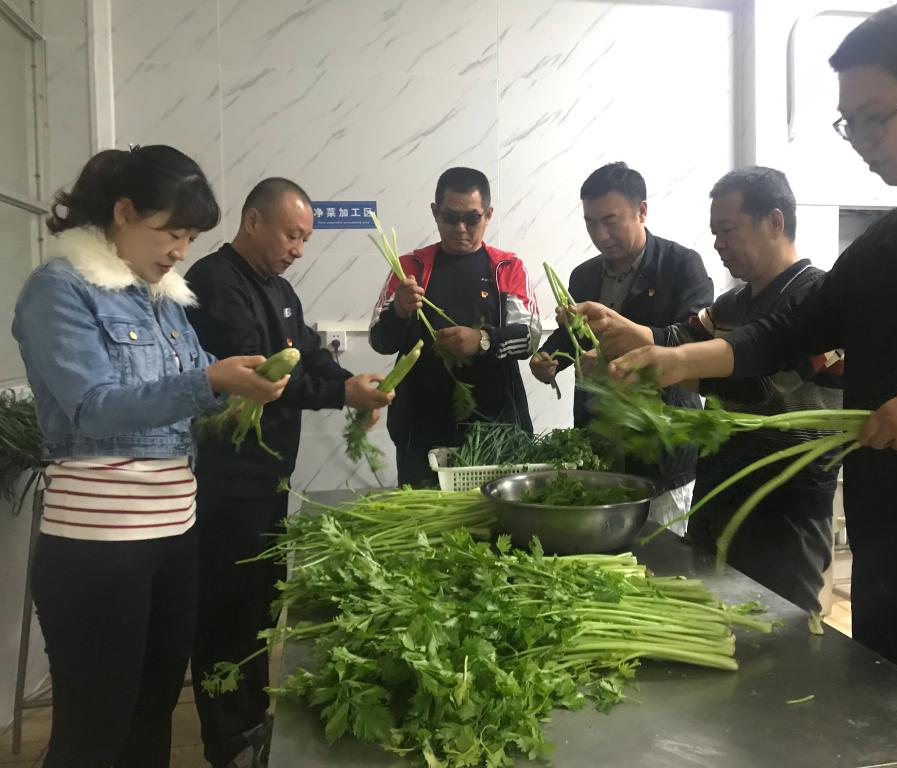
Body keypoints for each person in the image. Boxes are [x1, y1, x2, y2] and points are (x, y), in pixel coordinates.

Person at [610, 1, 897, 735]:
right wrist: (674, 359)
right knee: (889, 722)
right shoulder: (886, 245)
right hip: (888, 548)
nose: (860, 141)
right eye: (847, 123)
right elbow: (785, 332)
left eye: (875, 118)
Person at [11, 145, 286, 768]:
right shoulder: (59, 289)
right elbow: (93, 408)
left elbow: (190, 401)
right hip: (99, 546)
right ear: (124, 212)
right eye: (171, 232)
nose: (180, 251)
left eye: (190, 238)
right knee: (94, 731)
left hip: (174, 534)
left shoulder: (164, 300)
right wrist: (208, 382)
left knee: (151, 717)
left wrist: (244, 392)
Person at [185, 178, 393, 768]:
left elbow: (309, 353)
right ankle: (226, 740)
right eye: (291, 235)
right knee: (227, 610)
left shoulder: (279, 289)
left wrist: (353, 382)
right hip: (227, 479)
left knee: (260, 603)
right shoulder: (215, 283)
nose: (298, 249)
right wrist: (341, 395)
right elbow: (267, 376)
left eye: (305, 238)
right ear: (253, 221)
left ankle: (253, 721)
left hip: (269, 478)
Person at [582, 167, 844, 612]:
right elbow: (681, 337)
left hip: (784, 503)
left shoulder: (817, 300)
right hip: (718, 489)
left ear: (775, 222)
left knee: (780, 625)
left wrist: (656, 370)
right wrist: (621, 333)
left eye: (727, 230)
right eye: (714, 232)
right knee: (711, 612)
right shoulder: (735, 303)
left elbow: (763, 386)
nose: (718, 244)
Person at [531, 162, 712, 528]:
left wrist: (617, 356)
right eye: (590, 223)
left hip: (661, 442)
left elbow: (694, 340)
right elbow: (571, 333)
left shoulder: (681, 266)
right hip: (599, 439)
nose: (601, 234)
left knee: (661, 544)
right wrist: (549, 359)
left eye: (610, 221)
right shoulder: (585, 275)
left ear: (641, 211)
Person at [370, 167, 539, 486]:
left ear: (488, 215)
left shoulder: (507, 267)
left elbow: (529, 339)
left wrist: (484, 340)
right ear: (436, 213)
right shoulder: (409, 268)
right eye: (450, 218)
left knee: (496, 512)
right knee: (423, 510)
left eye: (472, 219)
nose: (460, 228)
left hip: (496, 427)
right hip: (421, 426)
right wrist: (400, 311)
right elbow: (380, 340)